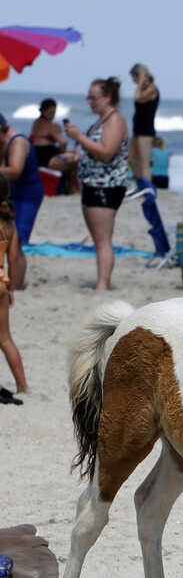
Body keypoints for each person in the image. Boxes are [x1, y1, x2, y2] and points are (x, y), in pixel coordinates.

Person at [65, 76, 130, 292]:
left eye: (94, 97)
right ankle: (101, 282)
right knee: (99, 238)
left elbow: (106, 152)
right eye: (88, 97)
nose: (90, 102)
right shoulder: (102, 119)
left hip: (106, 185)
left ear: (107, 97)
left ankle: (102, 285)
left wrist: (78, 137)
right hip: (95, 183)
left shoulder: (114, 120)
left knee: (102, 239)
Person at [127, 63, 170, 258]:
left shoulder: (151, 88)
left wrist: (142, 82)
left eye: (135, 78)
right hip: (137, 128)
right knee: (131, 159)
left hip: (146, 130)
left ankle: (148, 191)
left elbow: (137, 98)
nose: (135, 82)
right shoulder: (144, 87)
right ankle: (139, 185)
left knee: (144, 164)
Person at [0, 113, 44, 290]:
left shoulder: (17, 141)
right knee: (10, 239)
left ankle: (15, 287)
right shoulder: (3, 140)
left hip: (27, 194)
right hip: (11, 192)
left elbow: (15, 171)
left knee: (16, 242)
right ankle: (15, 283)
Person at [0, 176, 28, 398]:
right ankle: (22, 386)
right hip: (1, 281)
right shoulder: (9, 224)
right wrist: (10, 288)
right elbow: (14, 257)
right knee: (5, 338)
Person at [29, 98, 78, 194]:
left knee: (68, 158)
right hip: (46, 155)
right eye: (51, 112)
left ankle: (64, 188)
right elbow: (63, 142)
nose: (53, 115)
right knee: (73, 164)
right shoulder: (52, 126)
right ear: (43, 111)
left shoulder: (36, 122)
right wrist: (63, 153)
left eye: (54, 112)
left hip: (36, 154)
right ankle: (72, 190)